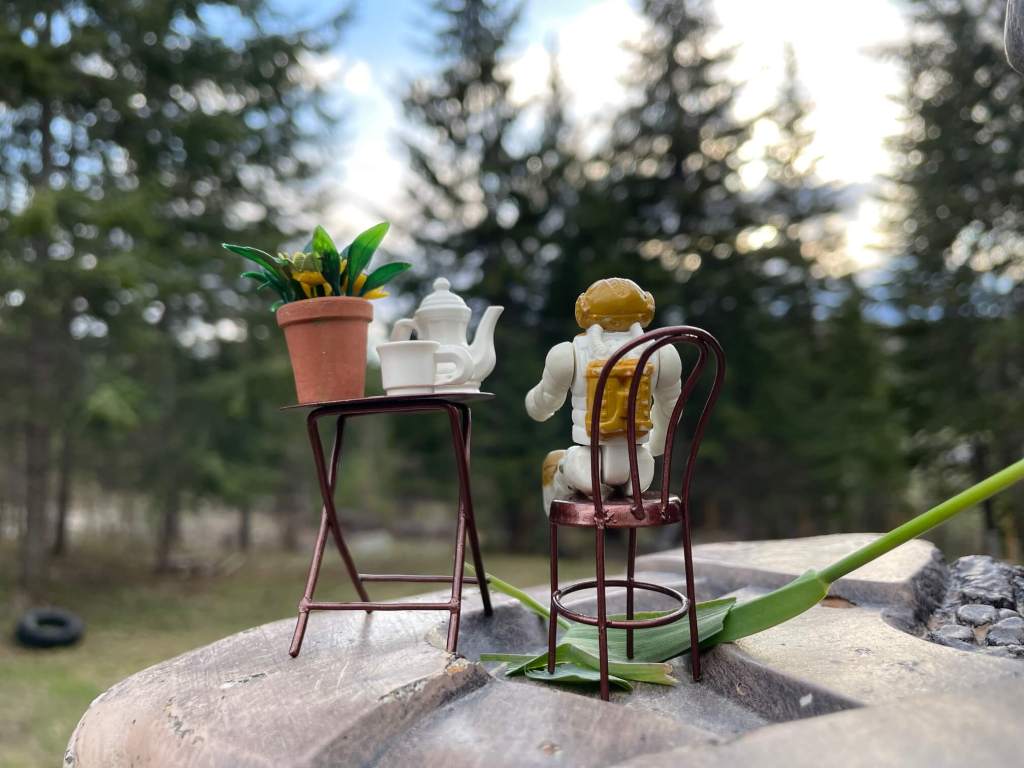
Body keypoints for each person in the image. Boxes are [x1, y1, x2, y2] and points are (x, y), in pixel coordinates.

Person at [525, 278, 683, 513]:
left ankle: (558, 480)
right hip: (640, 470)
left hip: (585, 467)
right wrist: (656, 445)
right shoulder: (663, 353)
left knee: (562, 465)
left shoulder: (568, 354)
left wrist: (535, 404)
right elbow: (671, 409)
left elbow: (544, 404)